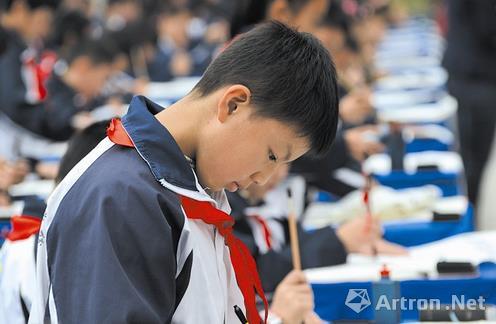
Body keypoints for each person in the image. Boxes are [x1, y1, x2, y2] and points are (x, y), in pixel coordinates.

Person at [29, 21, 339, 323]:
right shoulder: (121, 197)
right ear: (233, 104)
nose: (263, 178)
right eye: (271, 155)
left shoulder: (190, 184)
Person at [229, 163, 406, 292]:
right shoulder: (226, 213)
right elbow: (260, 273)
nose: (280, 173)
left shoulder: (270, 207)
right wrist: (339, 240)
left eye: (287, 162)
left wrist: (348, 239)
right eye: (273, 158)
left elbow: (297, 243)